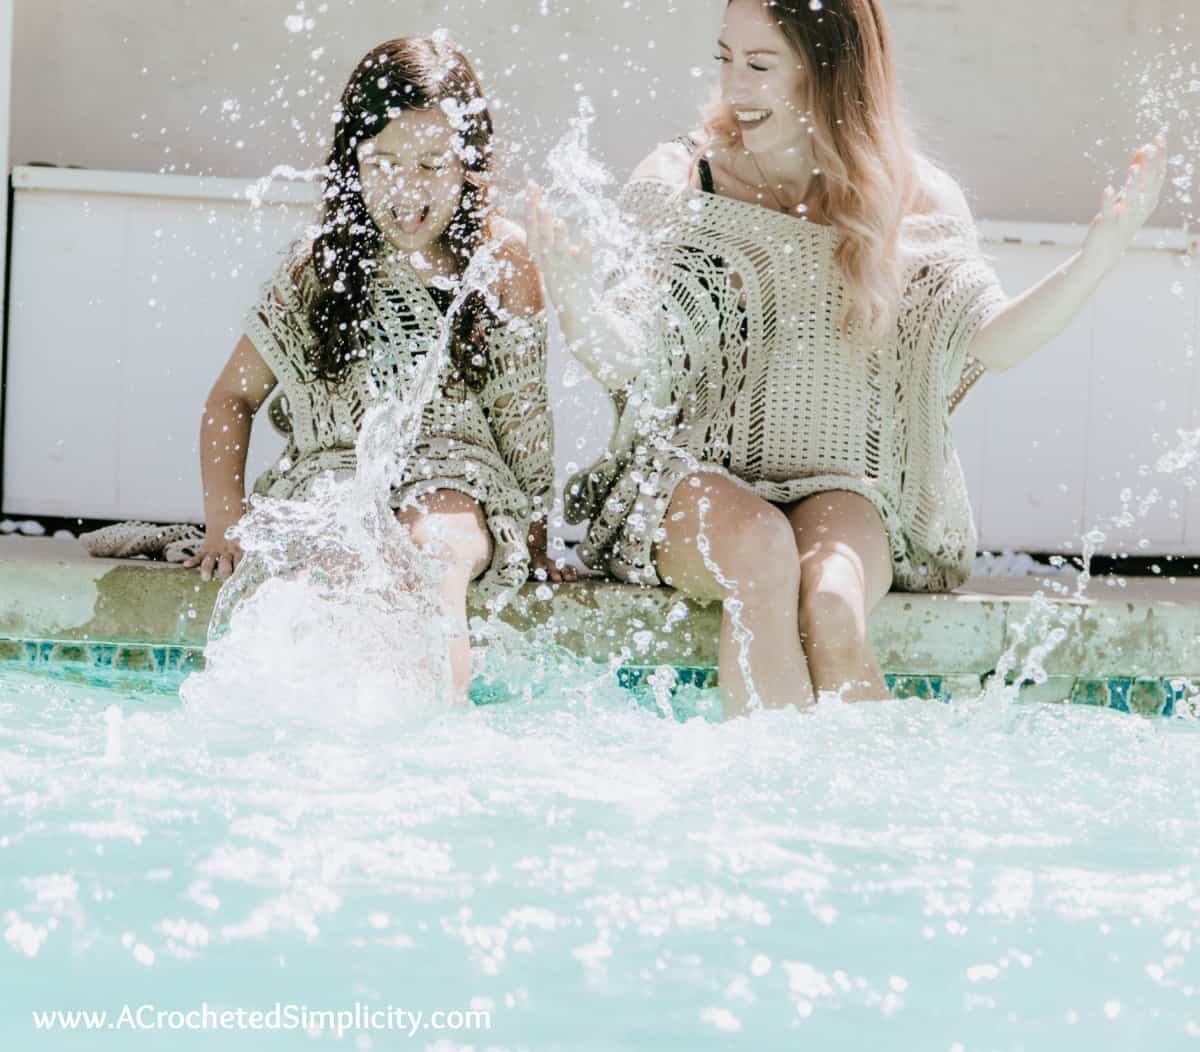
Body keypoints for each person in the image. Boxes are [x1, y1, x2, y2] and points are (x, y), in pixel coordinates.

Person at [526, 0, 1166, 718]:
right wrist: (578, 304)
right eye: (726, 58)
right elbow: (631, 359)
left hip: (842, 483)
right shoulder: (685, 176)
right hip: (688, 480)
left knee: (832, 600)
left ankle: (856, 818)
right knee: (762, 554)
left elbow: (993, 340)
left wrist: (1095, 262)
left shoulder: (916, 196)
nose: (735, 86)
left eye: (760, 65)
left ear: (829, 73)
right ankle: (763, 795)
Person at [186, 35, 573, 704]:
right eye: (383, 162)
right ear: (352, 164)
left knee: (441, 543)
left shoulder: (500, 260)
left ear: (469, 164)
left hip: (457, 469)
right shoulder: (318, 267)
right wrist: (226, 522)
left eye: (432, 163)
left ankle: (436, 726)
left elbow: (523, 416)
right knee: (338, 554)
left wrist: (536, 537)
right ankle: (332, 718)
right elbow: (230, 401)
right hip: (337, 467)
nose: (407, 188)